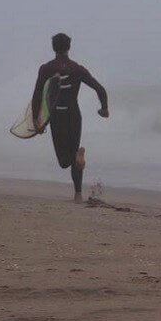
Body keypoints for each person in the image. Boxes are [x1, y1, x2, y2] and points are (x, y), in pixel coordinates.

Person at [32, 33, 109, 203]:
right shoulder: (77, 68)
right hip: (74, 115)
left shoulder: (46, 69)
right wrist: (104, 108)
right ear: (69, 47)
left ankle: (76, 158)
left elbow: (37, 95)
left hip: (57, 116)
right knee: (74, 152)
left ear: (54, 48)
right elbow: (100, 89)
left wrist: (36, 120)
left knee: (63, 161)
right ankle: (78, 194)